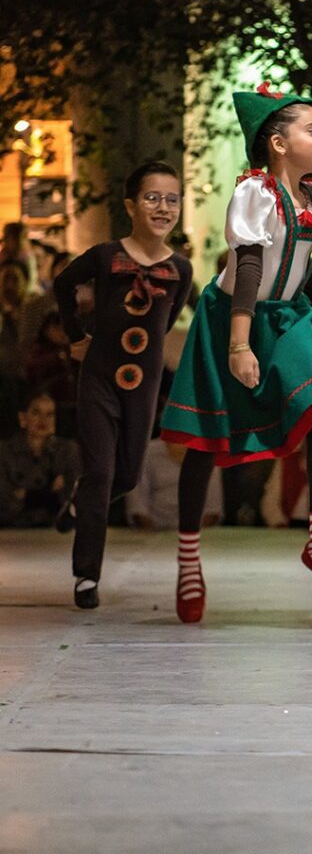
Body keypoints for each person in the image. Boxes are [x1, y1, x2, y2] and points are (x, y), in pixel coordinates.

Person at [160, 82, 312, 623]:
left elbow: (303, 265)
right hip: (234, 317)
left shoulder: (310, 196)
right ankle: (189, 558)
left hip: (287, 316)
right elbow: (248, 266)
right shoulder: (255, 192)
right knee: (206, 439)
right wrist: (239, 343)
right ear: (277, 142)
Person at [52, 161, 194, 608]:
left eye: (172, 199)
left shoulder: (181, 269)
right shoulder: (106, 255)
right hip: (98, 377)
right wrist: (77, 339)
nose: (163, 207)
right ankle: (86, 576)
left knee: (127, 475)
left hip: (144, 384)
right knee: (99, 471)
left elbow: (165, 321)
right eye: (153, 198)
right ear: (131, 205)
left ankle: (80, 502)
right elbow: (63, 284)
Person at [0, 391, 79, 528]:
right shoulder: (5, 452)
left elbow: (73, 499)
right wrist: (49, 493)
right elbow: (4, 501)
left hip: (56, 531)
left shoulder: (68, 451)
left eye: (49, 414)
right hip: (12, 531)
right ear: (23, 418)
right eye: (36, 413)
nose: (43, 420)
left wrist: (27, 496)